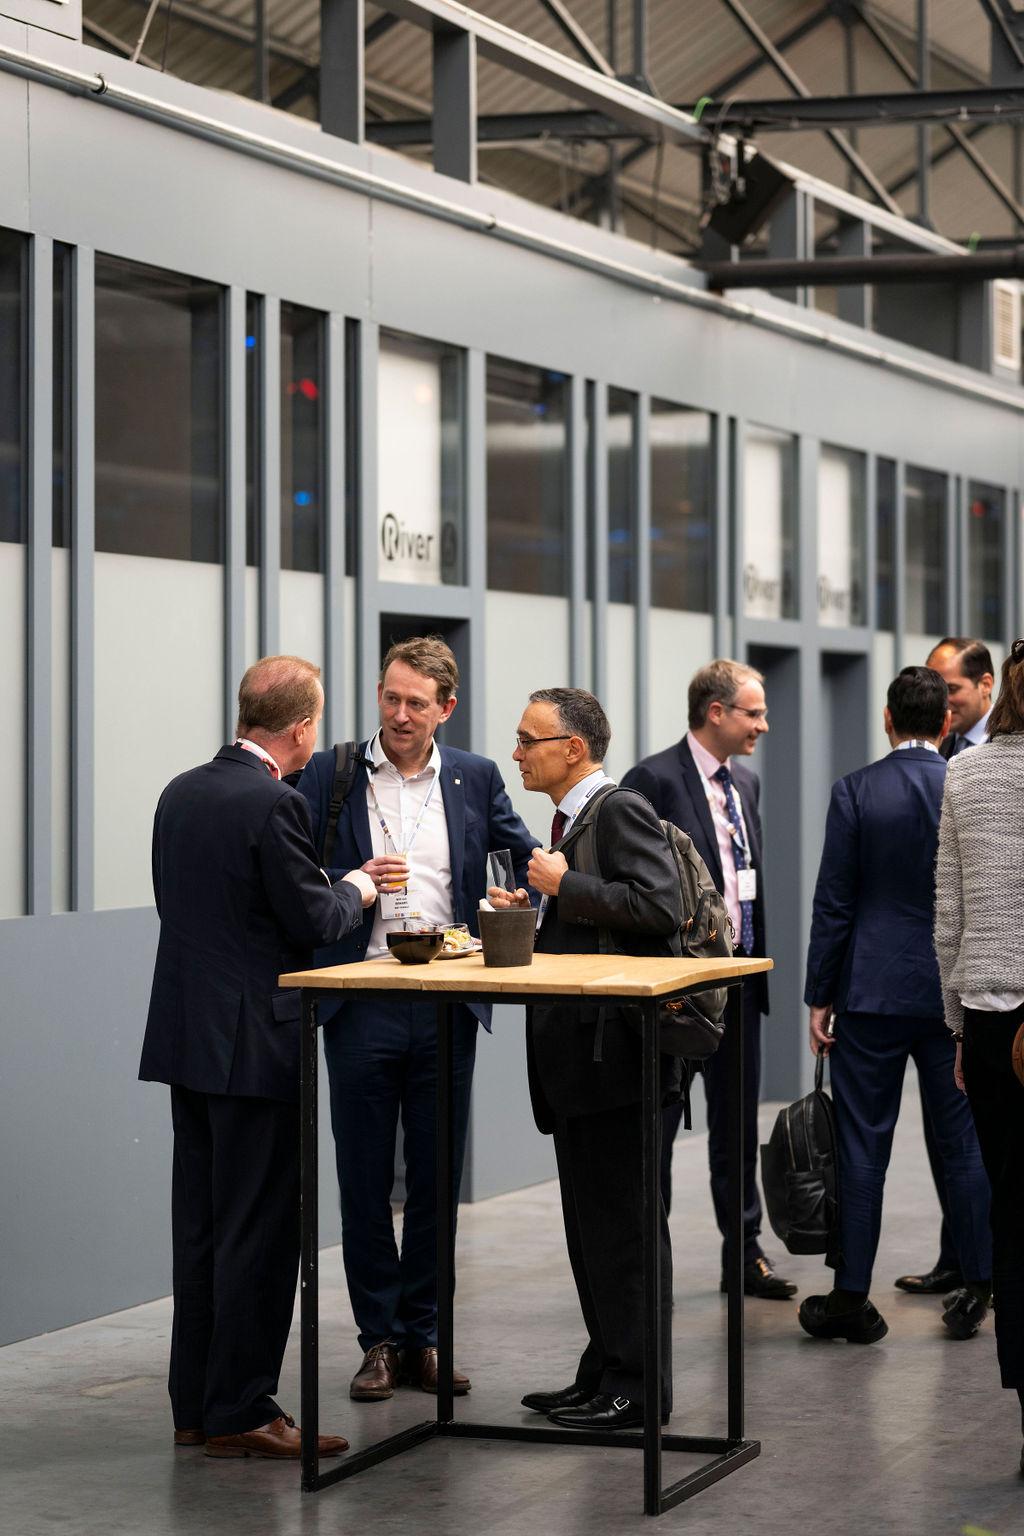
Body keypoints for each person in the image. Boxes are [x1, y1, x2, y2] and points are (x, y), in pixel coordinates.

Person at [139, 655, 376, 1459]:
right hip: (256, 1049)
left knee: (202, 1229)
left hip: (187, 1041)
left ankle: (196, 1406)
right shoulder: (276, 804)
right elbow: (314, 919)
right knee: (262, 1233)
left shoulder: (179, 792)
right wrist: (359, 887)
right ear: (301, 728)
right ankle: (243, 1409)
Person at [296, 636, 538, 1403]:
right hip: (360, 1000)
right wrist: (350, 879)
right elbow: (294, 870)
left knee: (436, 1179)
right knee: (364, 1180)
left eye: (417, 704)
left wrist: (517, 898)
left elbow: (525, 858)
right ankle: (378, 1341)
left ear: (446, 709)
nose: (400, 715)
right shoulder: (331, 774)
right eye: (391, 698)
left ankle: (425, 1336)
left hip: (446, 1004)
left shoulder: (475, 776)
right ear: (380, 693)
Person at [494, 687, 681, 1430]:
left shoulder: (620, 809)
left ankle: (637, 1386)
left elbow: (659, 907)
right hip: (584, 1062)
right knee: (592, 1227)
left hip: (618, 1062)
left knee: (625, 1229)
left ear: (573, 749)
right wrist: (538, 911)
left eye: (528, 739)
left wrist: (563, 885)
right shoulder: (576, 820)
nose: (517, 753)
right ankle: (603, 1369)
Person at [799, 666, 991, 1345]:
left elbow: (835, 902)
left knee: (862, 1145)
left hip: (871, 992)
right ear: (946, 722)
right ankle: (978, 1286)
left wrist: (820, 995)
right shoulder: (966, 786)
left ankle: (851, 1296)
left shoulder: (855, 790)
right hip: (951, 993)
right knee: (963, 1142)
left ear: (887, 719)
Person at [621, 659, 796, 1301]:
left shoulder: (745, 783)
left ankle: (743, 1253)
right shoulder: (653, 780)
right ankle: (649, 1260)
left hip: (738, 984)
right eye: (754, 713)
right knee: (660, 1128)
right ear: (715, 712)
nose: (763, 725)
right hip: (678, 993)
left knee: (736, 1126)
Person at [935, 640, 1024, 1470]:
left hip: (995, 1022)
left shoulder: (965, 773)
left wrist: (958, 1029)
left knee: (1014, 1211)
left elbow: (950, 915)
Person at [897, 638, 997, 1296]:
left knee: (977, 1136)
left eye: (951, 687)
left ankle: (985, 1269)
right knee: (949, 1133)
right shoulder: (942, 760)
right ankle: (959, 1258)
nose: (941, 700)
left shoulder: (996, 763)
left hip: (990, 981)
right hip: (940, 977)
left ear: (987, 686)